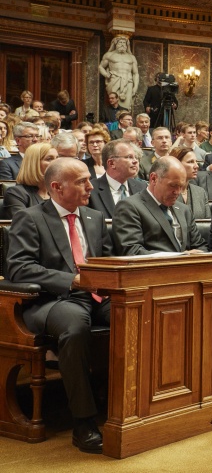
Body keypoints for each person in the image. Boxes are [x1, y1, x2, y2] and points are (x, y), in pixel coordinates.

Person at [7, 157, 113, 453]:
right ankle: (83, 423)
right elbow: (19, 268)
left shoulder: (93, 217)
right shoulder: (30, 218)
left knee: (136, 314)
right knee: (75, 327)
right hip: (52, 300)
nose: (91, 186)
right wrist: (73, 280)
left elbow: (104, 261)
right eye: (82, 181)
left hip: (95, 296)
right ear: (56, 186)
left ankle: (128, 403)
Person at [112, 156, 207, 255]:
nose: (178, 192)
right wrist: (179, 257)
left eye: (181, 186)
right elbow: (132, 251)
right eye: (173, 185)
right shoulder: (129, 207)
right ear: (154, 179)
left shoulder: (184, 210)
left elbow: (201, 246)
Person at [87, 139, 146, 219]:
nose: (135, 161)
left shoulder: (142, 187)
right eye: (129, 157)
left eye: (136, 157)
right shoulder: (90, 189)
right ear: (111, 163)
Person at [1, 142, 57, 219]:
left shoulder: (59, 191)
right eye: (49, 159)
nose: (56, 163)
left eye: (57, 158)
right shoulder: (16, 193)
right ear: (34, 164)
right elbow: (23, 225)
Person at [170, 145, 211, 219]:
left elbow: (207, 224)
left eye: (196, 162)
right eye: (190, 162)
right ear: (176, 163)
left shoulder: (201, 192)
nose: (196, 166)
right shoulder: (166, 192)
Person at [98, 36, 139, 112]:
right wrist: (106, 75)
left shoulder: (132, 57)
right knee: (114, 103)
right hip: (114, 80)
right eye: (120, 42)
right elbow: (100, 67)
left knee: (126, 105)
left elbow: (135, 73)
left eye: (124, 43)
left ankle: (125, 121)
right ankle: (115, 121)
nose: (122, 44)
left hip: (128, 82)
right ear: (115, 44)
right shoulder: (109, 55)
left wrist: (135, 87)